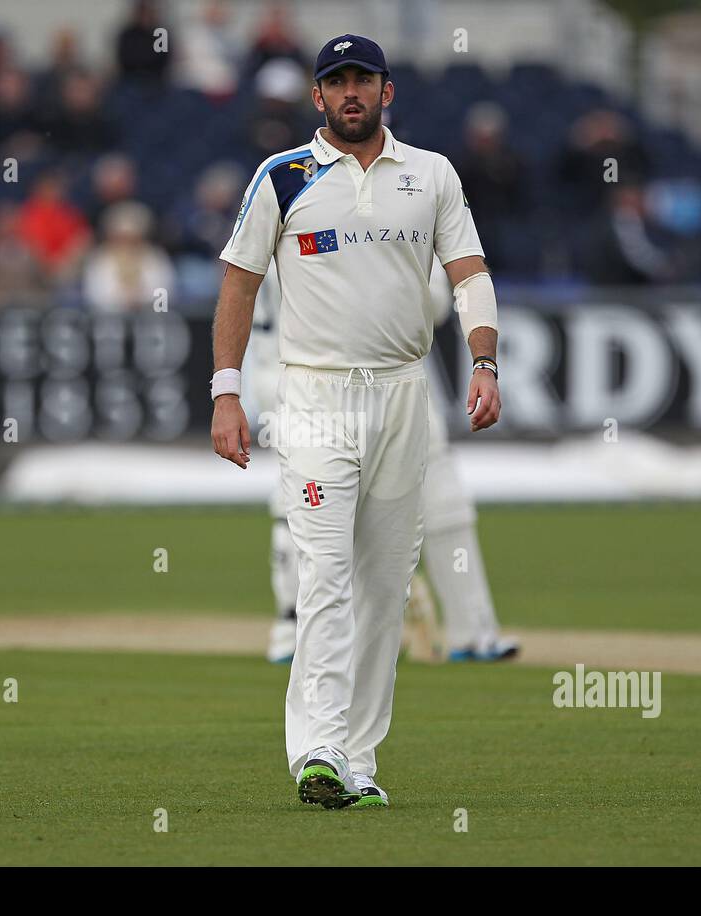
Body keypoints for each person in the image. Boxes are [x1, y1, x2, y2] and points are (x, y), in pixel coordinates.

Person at [210, 35, 502, 811]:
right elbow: (238, 283)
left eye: (361, 81)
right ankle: (319, 749)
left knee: (383, 585)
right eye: (335, 82)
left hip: (404, 393)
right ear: (316, 97)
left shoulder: (430, 174)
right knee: (325, 574)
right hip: (315, 395)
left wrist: (483, 362)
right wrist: (226, 392)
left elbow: (468, 272)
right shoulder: (283, 177)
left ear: (386, 91)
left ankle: (357, 758)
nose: (349, 93)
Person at [246, 260, 519, 667]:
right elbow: (436, 303)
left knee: (313, 499)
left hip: (328, 376)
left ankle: (472, 628)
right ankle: (299, 630)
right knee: (310, 502)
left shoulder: (293, 214)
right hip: (325, 377)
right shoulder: (319, 217)